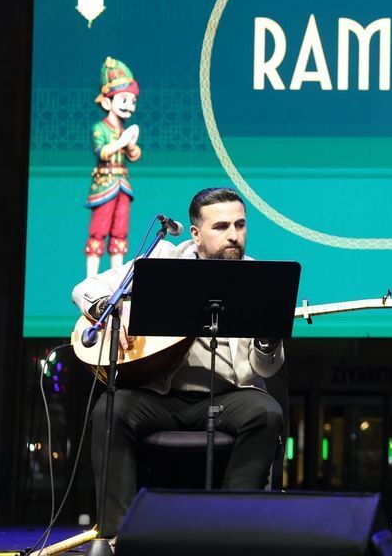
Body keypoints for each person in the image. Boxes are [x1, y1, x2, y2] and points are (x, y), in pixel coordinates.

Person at [72, 187, 285, 537]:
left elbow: (265, 367)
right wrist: (107, 311)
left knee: (266, 413)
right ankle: (117, 535)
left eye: (240, 225)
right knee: (111, 409)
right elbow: (85, 288)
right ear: (196, 234)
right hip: (160, 397)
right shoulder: (163, 260)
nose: (234, 235)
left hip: (226, 398)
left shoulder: (258, 278)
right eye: (221, 227)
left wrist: (268, 340)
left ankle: (232, 529)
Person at [85, 57, 143, 279]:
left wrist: (131, 144)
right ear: (108, 103)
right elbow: (102, 152)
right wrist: (122, 141)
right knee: (98, 230)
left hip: (122, 184)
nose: (129, 105)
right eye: (124, 99)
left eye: (132, 101)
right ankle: (91, 279)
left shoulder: (123, 130)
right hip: (104, 184)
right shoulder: (100, 128)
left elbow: (134, 155)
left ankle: (116, 277)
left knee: (120, 231)